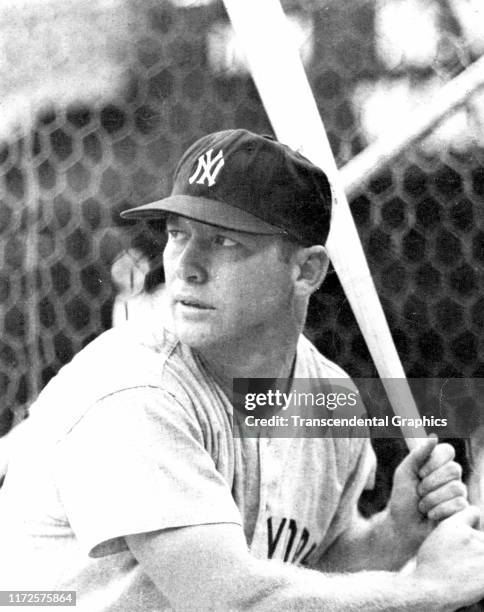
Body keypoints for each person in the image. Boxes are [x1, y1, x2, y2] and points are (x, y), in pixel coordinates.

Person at [0, 128, 483, 611]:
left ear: (307, 271)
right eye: (176, 234)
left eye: (225, 241)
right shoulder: (136, 389)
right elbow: (232, 601)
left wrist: (393, 535)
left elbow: (308, 574)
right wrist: (424, 590)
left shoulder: (327, 398)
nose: (186, 266)